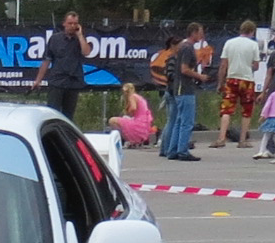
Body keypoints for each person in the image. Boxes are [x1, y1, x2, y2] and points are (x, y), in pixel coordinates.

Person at [160, 33, 212, 161]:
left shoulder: (179, 53)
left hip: (177, 90)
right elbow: (182, 71)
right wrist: (199, 77)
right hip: (180, 90)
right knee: (183, 122)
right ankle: (181, 150)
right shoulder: (185, 50)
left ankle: (171, 150)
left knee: (177, 121)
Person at [214, 19, 262, 148]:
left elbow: (223, 64)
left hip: (231, 79)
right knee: (246, 110)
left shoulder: (229, 43)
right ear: (252, 31)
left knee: (226, 109)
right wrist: (248, 65)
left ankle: (221, 138)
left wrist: (220, 82)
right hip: (247, 80)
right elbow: (256, 65)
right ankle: (242, 140)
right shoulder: (253, 45)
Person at [32, 11, 90, 118]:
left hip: (73, 82)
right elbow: (46, 60)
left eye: (75, 23)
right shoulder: (55, 39)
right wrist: (38, 80)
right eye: (70, 23)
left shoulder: (80, 40)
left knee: (68, 116)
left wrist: (80, 35)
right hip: (57, 81)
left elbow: (86, 52)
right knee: (52, 114)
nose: (72, 26)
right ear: (64, 24)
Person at [109, 81, 155, 148]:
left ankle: (119, 141)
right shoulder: (139, 97)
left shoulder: (132, 96)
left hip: (137, 123)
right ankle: (133, 142)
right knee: (124, 119)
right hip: (144, 125)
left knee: (112, 120)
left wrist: (127, 111)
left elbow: (133, 107)